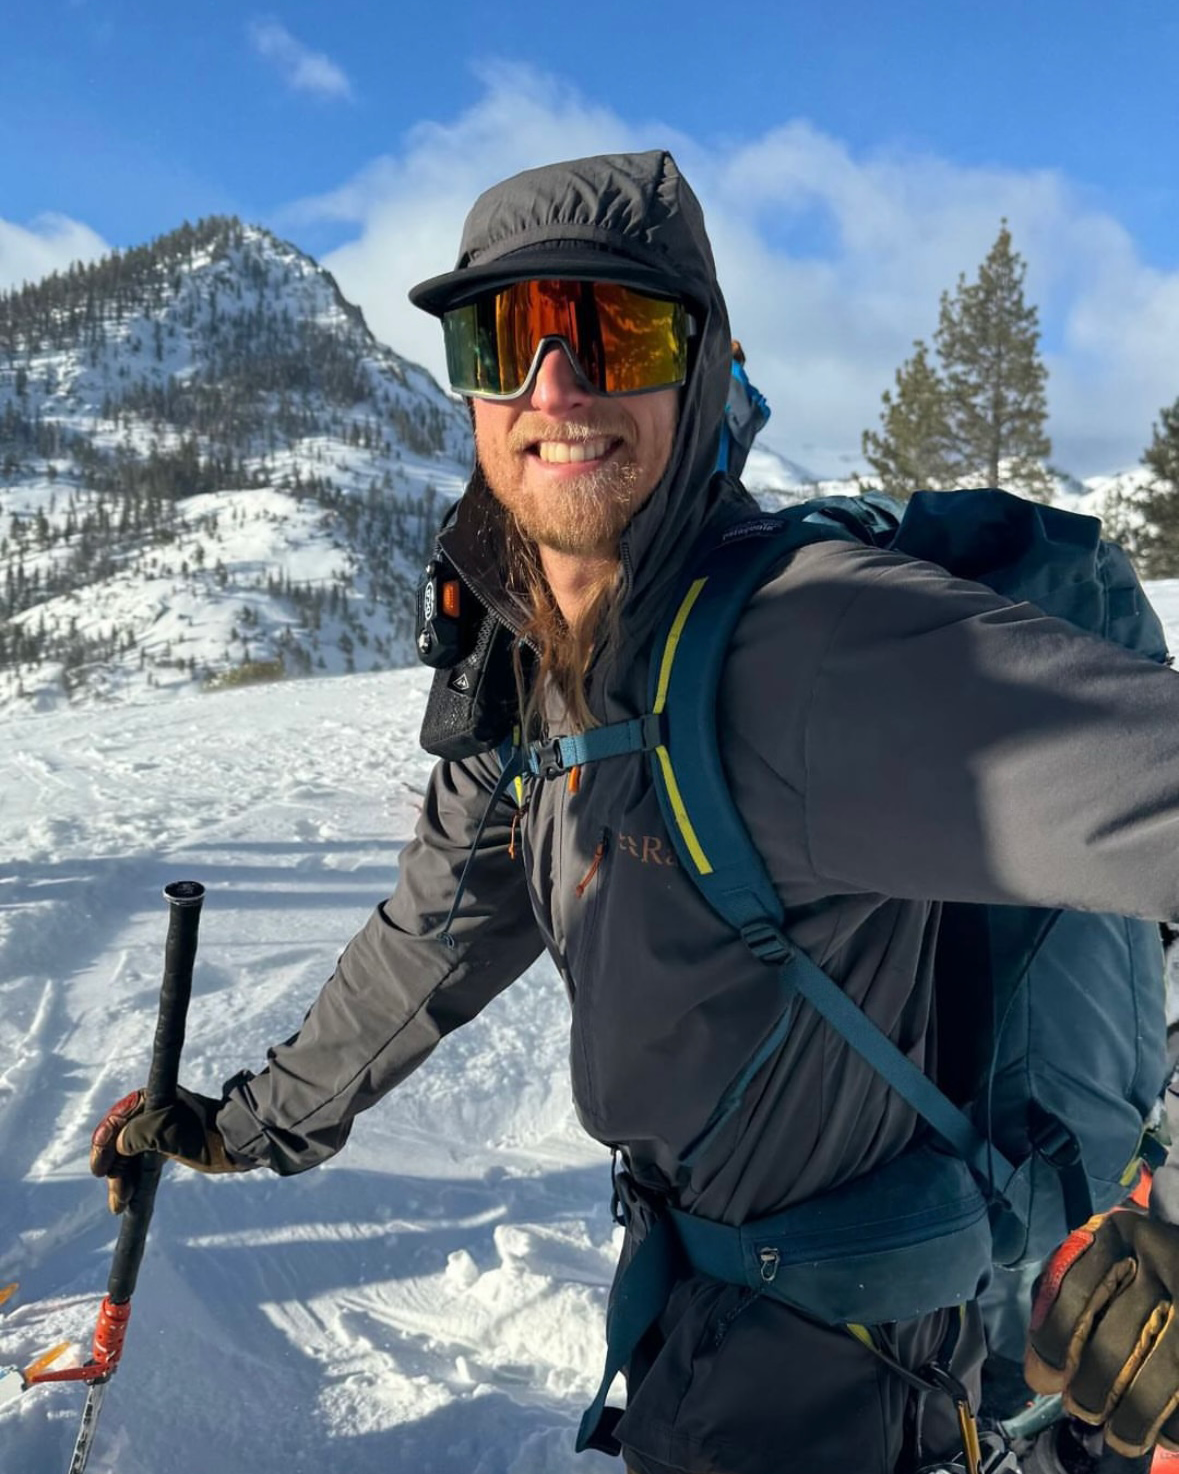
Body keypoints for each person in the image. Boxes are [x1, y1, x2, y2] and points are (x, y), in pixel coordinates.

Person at [91, 151, 1179, 1474]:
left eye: (615, 329)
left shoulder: (808, 652)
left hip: (845, 1377)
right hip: (697, 1312)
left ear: (701, 362)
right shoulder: (541, 665)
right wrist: (247, 1121)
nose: (555, 384)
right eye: (507, 333)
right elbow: (436, 927)